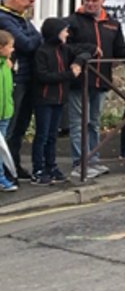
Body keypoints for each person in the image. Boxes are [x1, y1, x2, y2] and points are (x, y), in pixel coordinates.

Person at [66, 0, 125, 178]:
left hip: (101, 80)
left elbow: (119, 49)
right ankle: (79, 162)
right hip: (80, 80)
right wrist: (88, 48)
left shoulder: (112, 23)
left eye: (94, 1)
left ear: (103, 1)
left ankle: (93, 159)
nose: (90, 4)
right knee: (78, 123)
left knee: (93, 122)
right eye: (87, 0)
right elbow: (66, 47)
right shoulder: (72, 21)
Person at [31, 18, 81, 185]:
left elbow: (84, 51)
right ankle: (38, 168)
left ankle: (51, 166)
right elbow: (43, 76)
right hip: (45, 98)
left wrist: (77, 62)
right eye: (64, 30)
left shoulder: (64, 49)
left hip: (59, 98)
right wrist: (68, 74)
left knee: (52, 135)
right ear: (55, 33)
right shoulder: (42, 52)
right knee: (42, 135)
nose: (67, 33)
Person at [0, 0, 41, 179]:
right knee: (10, 125)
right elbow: (26, 43)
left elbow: (36, 37)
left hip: (27, 77)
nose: (31, 5)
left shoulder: (20, 18)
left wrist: (34, 39)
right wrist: (33, 39)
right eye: (29, 1)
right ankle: (6, 169)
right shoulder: (4, 17)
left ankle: (14, 164)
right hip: (14, 78)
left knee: (21, 126)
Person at [0, 31, 15, 191]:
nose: (13, 50)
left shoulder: (6, 63)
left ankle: (2, 177)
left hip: (5, 112)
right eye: (10, 47)